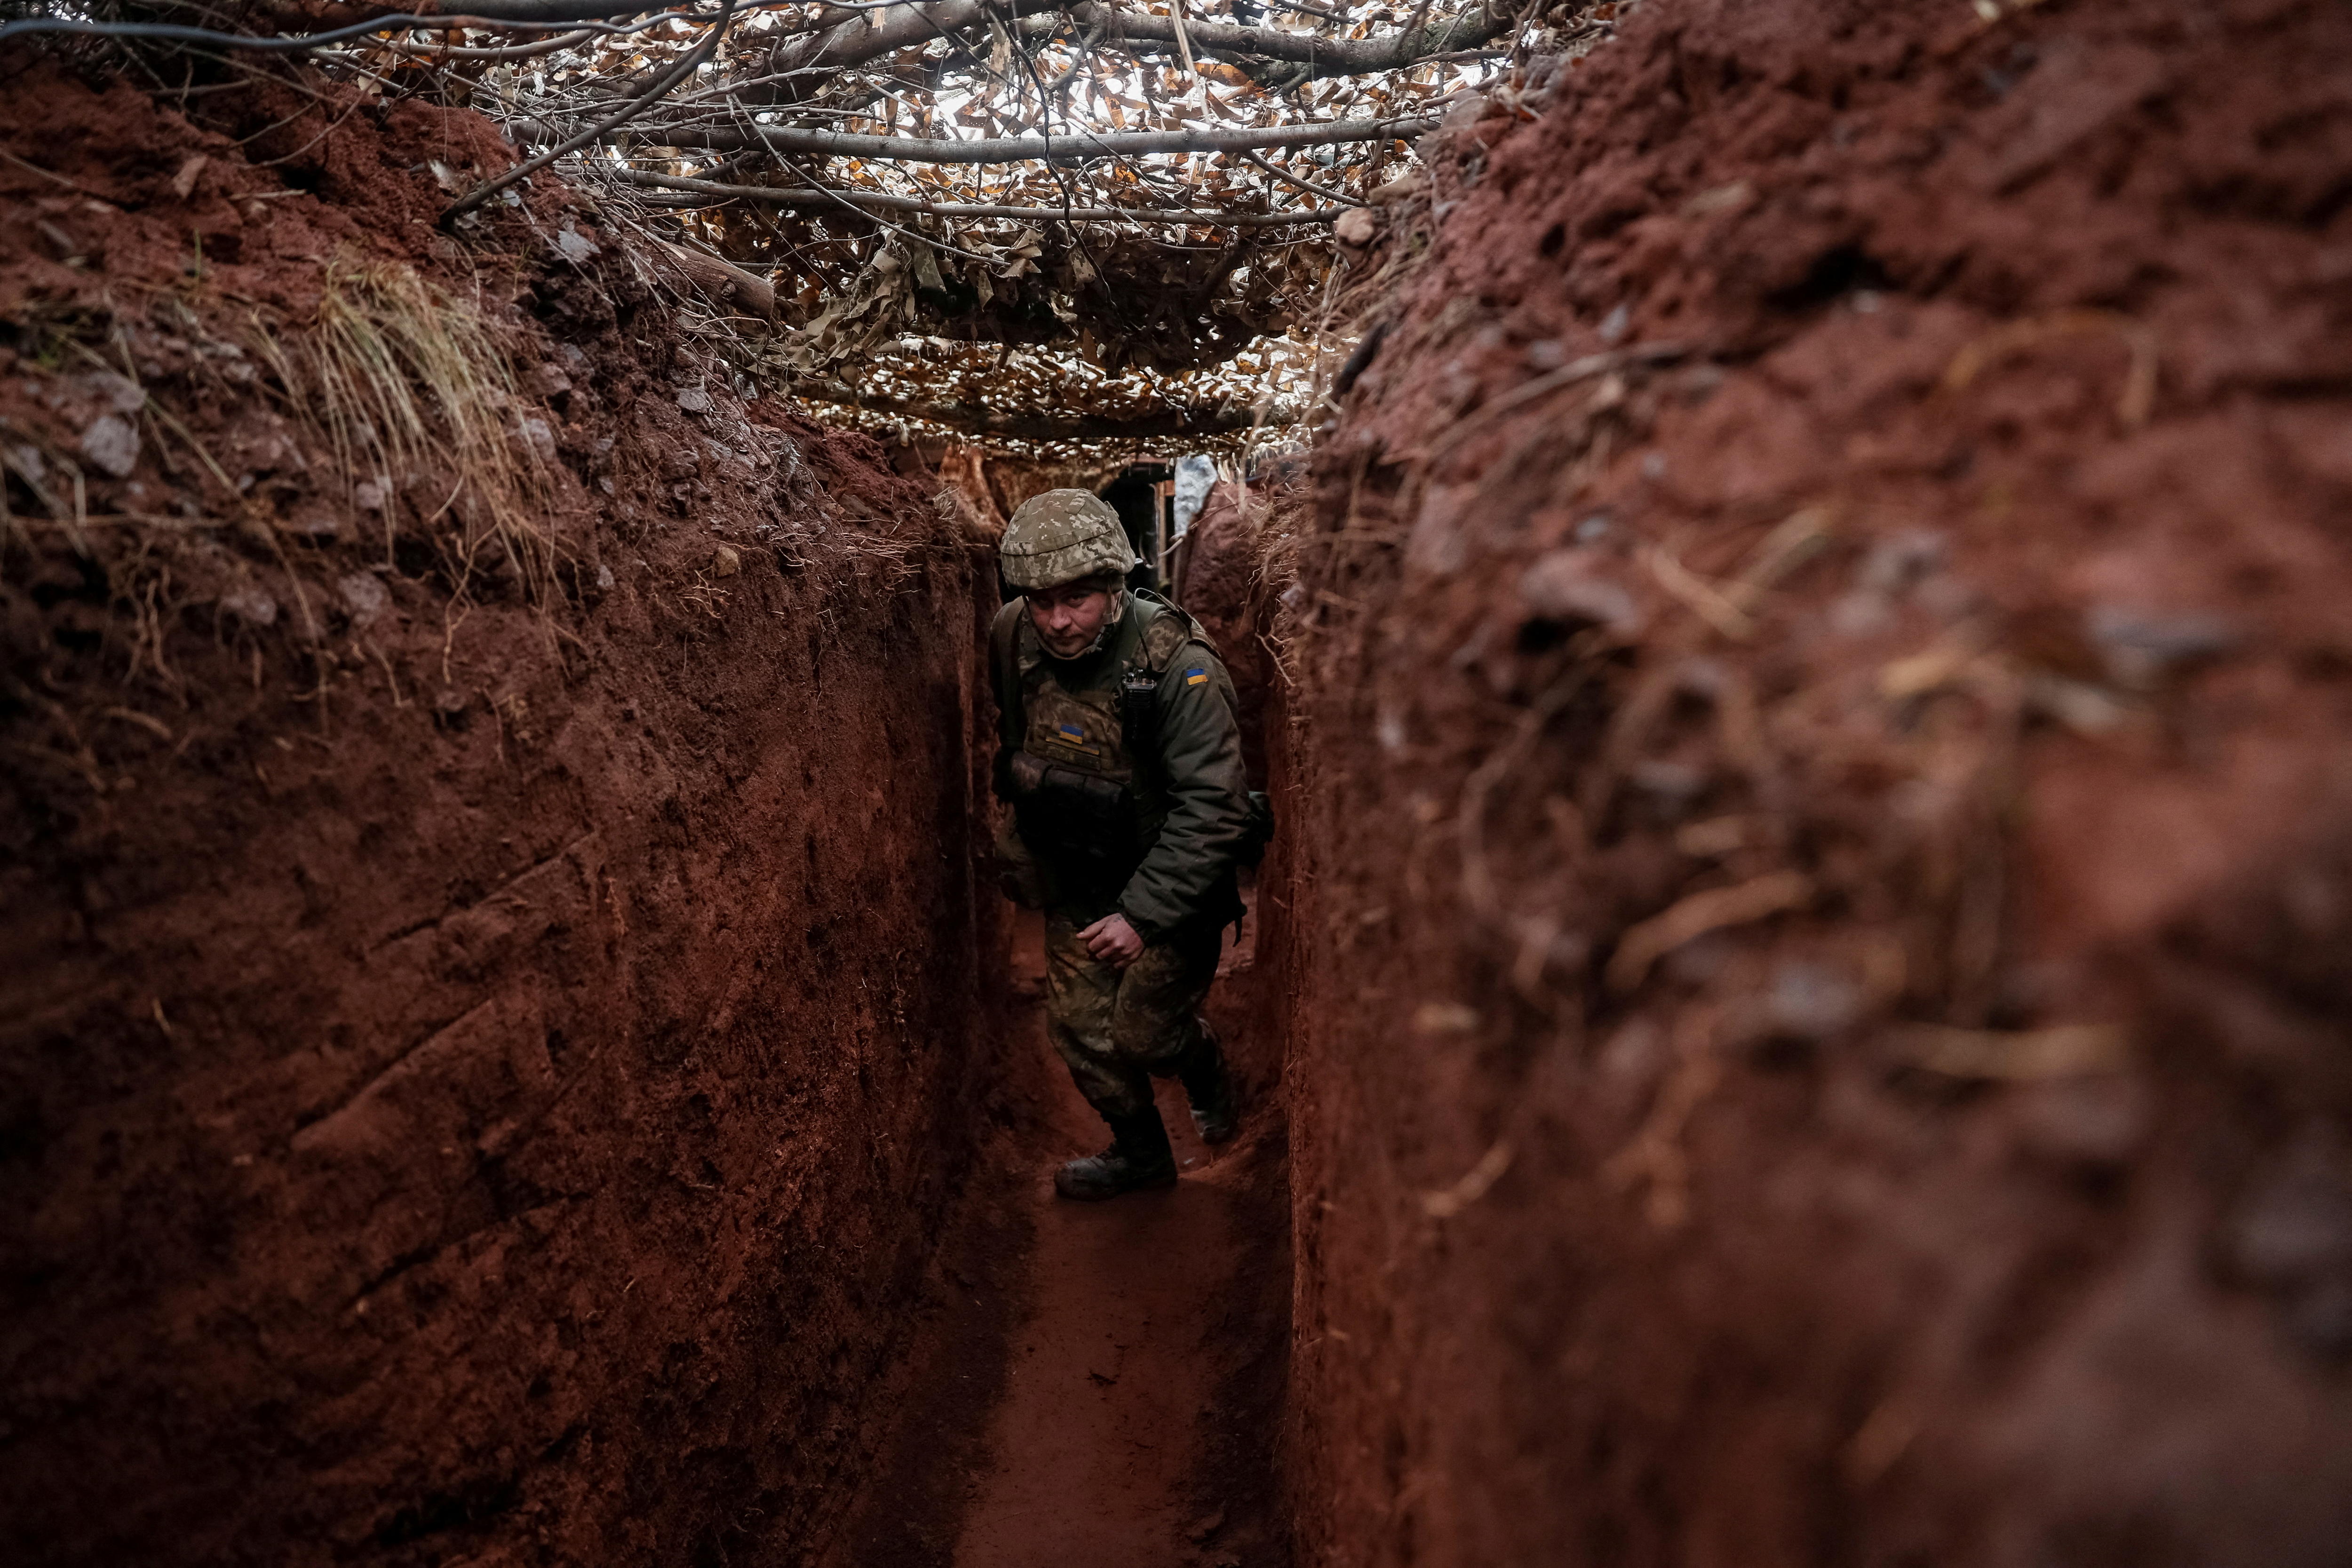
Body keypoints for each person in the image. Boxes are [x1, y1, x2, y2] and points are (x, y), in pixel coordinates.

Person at [988, 488, 1256, 1201]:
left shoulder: (1181, 667)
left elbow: (1215, 808)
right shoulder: (1011, 635)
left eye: (1076, 598)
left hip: (1172, 886)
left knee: (1143, 1035)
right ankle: (1142, 1155)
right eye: (1040, 600)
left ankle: (1200, 1063)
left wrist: (1143, 915)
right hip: (1079, 871)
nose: (1057, 620)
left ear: (1115, 583)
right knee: (1080, 1030)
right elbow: (1018, 738)